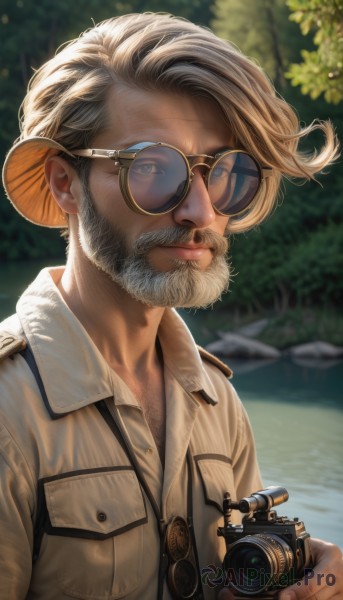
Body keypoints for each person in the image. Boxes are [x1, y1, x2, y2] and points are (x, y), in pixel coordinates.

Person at [0, 12, 341, 600]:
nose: (201, 212)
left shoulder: (216, 399)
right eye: (153, 168)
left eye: (227, 173)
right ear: (64, 183)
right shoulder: (9, 411)